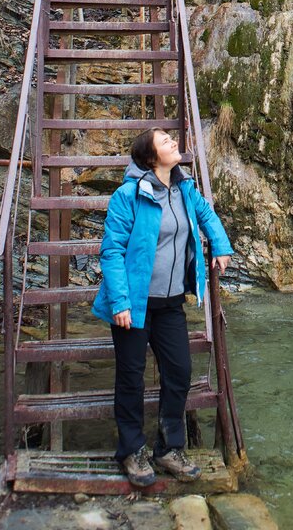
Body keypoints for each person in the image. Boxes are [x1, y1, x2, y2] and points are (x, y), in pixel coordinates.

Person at [92, 127, 233, 487]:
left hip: (170, 303)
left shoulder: (185, 188)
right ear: (151, 157)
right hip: (134, 305)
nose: (173, 142)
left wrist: (220, 245)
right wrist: (120, 302)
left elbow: (207, 217)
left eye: (172, 138)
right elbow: (111, 252)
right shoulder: (128, 195)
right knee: (131, 377)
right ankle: (131, 450)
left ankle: (168, 448)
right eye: (165, 141)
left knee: (179, 371)